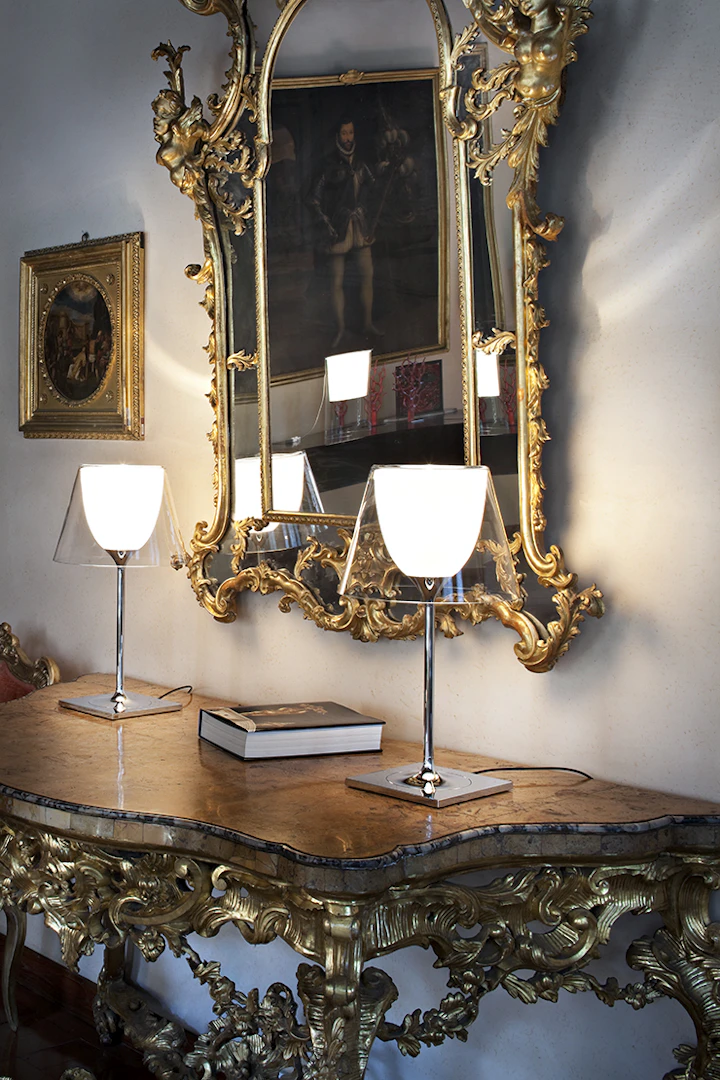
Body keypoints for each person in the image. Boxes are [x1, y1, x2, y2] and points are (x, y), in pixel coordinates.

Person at [307, 117, 380, 347]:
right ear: (337, 136)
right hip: (338, 228)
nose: (348, 138)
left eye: (351, 133)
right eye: (344, 133)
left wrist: (366, 210)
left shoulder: (361, 163)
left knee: (367, 276)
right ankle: (340, 329)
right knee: (336, 281)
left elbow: (374, 189)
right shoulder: (327, 165)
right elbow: (313, 199)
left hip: (361, 226)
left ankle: (367, 324)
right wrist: (326, 224)